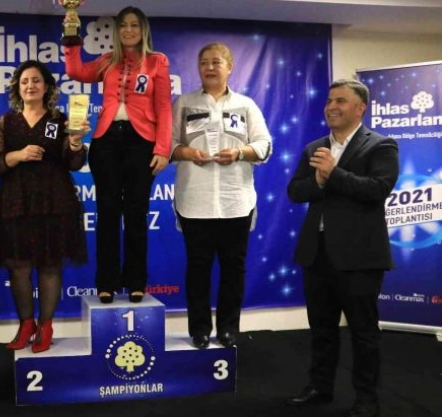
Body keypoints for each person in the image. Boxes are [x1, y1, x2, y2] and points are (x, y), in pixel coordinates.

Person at [286, 79, 399, 417]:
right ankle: (320, 387)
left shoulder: (381, 145)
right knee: (321, 330)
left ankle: (366, 399)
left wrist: (332, 175)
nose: (331, 107)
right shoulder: (315, 147)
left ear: (360, 108)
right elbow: (295, 191)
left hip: (359, 257)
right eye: (329, 101)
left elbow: (377, 189)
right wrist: (318, 181)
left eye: (340, 101)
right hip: (317, 253)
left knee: (363, 333)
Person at [62, 6, 172, 304]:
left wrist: (163, 149)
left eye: (134, 25)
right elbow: (75, 71)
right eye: (123, 25)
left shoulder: (157, 61)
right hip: (106, 141)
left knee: (136, 213)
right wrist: (71, 37)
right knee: (107, 212)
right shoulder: (108, 60)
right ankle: (106, 282)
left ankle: (136, 281)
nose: (128, 30)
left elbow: (164, 107)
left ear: (143, 29)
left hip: (142, 142)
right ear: (117, 30)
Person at [170, 43, 272, 349]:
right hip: (195, 201)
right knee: (197, 269)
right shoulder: (184, 103)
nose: (210, 67)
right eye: (204, 62)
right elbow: (167, 145)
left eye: (216, 62)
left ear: (230, 67)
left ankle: (228, 329)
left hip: (235, 202)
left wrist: (240, 152)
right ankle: (199, 330)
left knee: (233, 269)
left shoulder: (246, 105)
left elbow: (265, 145)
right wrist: (186, 152)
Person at [0, 60, 88, 353]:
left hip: (54, 202)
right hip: (16, 203)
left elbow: (74, 163)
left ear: (47, 87)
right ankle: (26, 325)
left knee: (50, 265)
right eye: (24, 81)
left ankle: (46, 326)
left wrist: (76, 143)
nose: (30, 86)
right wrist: (17, 155)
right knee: (18, 267)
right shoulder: (7, 122)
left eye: (36, 80)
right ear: (17, 88)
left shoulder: (60, 120)